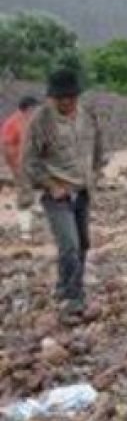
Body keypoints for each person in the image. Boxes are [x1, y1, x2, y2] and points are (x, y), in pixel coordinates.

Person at [21, 69, 106, 318]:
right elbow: (30, 161)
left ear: (76, 96)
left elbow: (98, 147)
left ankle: (63, 286)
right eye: (60, 98)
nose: (65, 102)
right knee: (69, 245)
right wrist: (50, 185)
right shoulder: (41, 121)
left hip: (83, 191)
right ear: (52, 97)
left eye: (70, 97)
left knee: (83, 244)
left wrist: (95, 174)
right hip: (57, 195)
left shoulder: (88, 116)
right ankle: (73, 297)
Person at [2, 95, 39, 239]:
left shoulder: (31, 122)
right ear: (28, 108)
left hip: (34, 165)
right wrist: (15, 168)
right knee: (25, 196)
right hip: (21, 165)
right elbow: (7, 147)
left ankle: (33, 222)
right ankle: (25, 231)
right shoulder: (12, 123)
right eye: (34, 109)